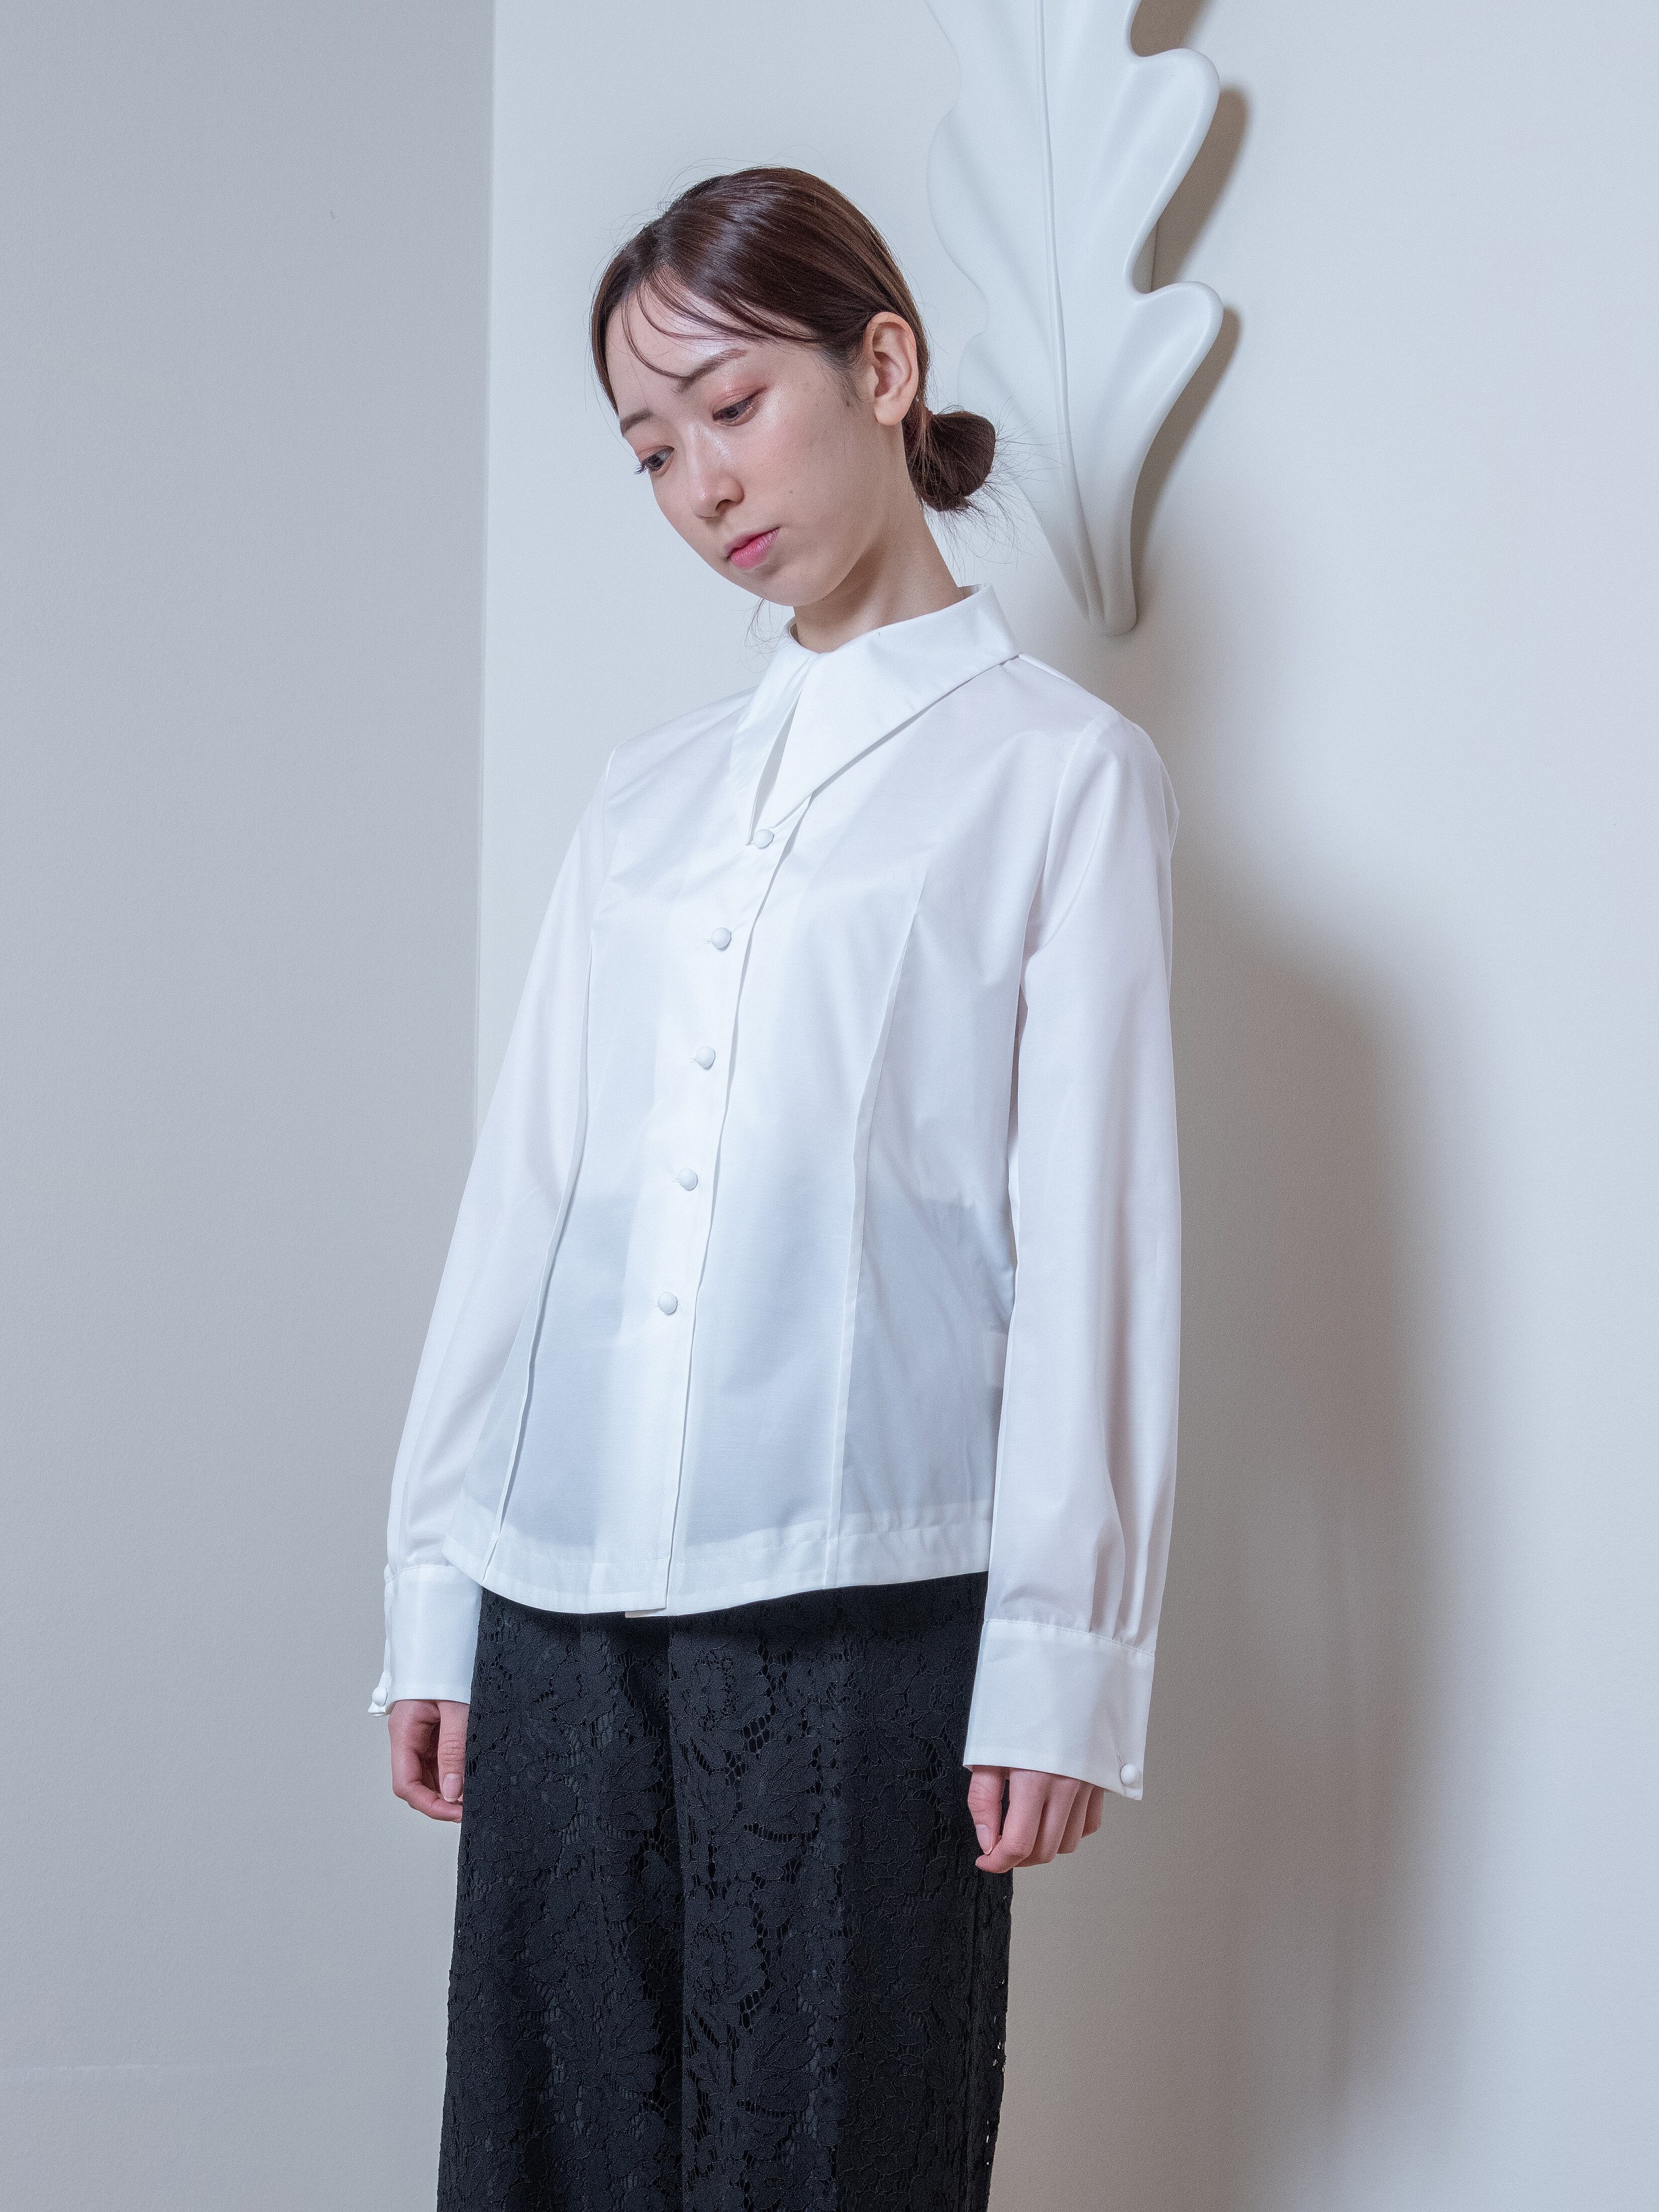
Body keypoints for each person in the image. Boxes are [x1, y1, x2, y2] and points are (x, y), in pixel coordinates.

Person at [372, 165, 1182, 2211]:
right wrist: (435, 1591)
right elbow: (528, 1208)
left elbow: (1093, 1243)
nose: (701, 483)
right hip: (560, 1607)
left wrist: (1063, 1652)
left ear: (881, 366)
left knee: (833, 2155)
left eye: (732, 406)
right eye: (652, 448)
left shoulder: (1059, 774)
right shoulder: (644, 799)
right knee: (550, 2156)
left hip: (863, 1609)